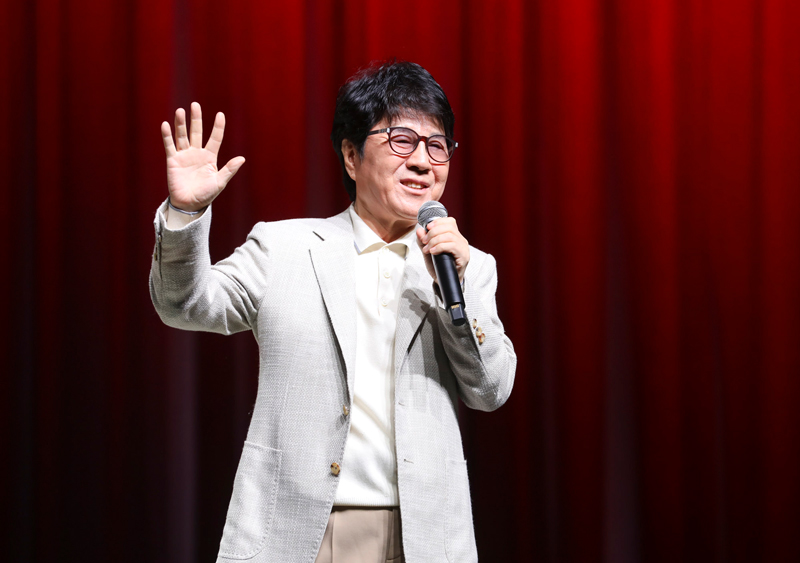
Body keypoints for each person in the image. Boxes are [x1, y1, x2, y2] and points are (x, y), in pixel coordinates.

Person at [150, 60, 516, 563]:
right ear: (350, 155)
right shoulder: (284, 248)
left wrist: (453, 285)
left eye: (437, 146)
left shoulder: (469, 267)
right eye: (402, 140)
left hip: (425, 538)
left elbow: (490, 390)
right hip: (297, 533)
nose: (423, 161)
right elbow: (184, 304)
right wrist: (186, 214)